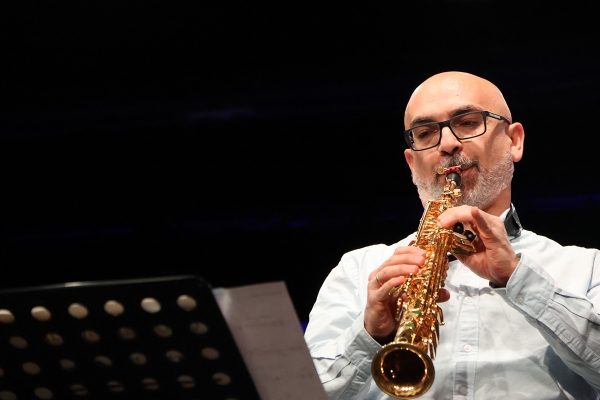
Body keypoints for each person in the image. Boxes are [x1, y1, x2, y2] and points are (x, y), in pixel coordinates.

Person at [304, 71, 600, 399]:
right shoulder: (358, 270)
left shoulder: (587, 267)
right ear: (412, 163)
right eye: (426, 132)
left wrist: (519, 279)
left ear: (514, 141)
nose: (447, 144)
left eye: (468, 123)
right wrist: (369, 335)